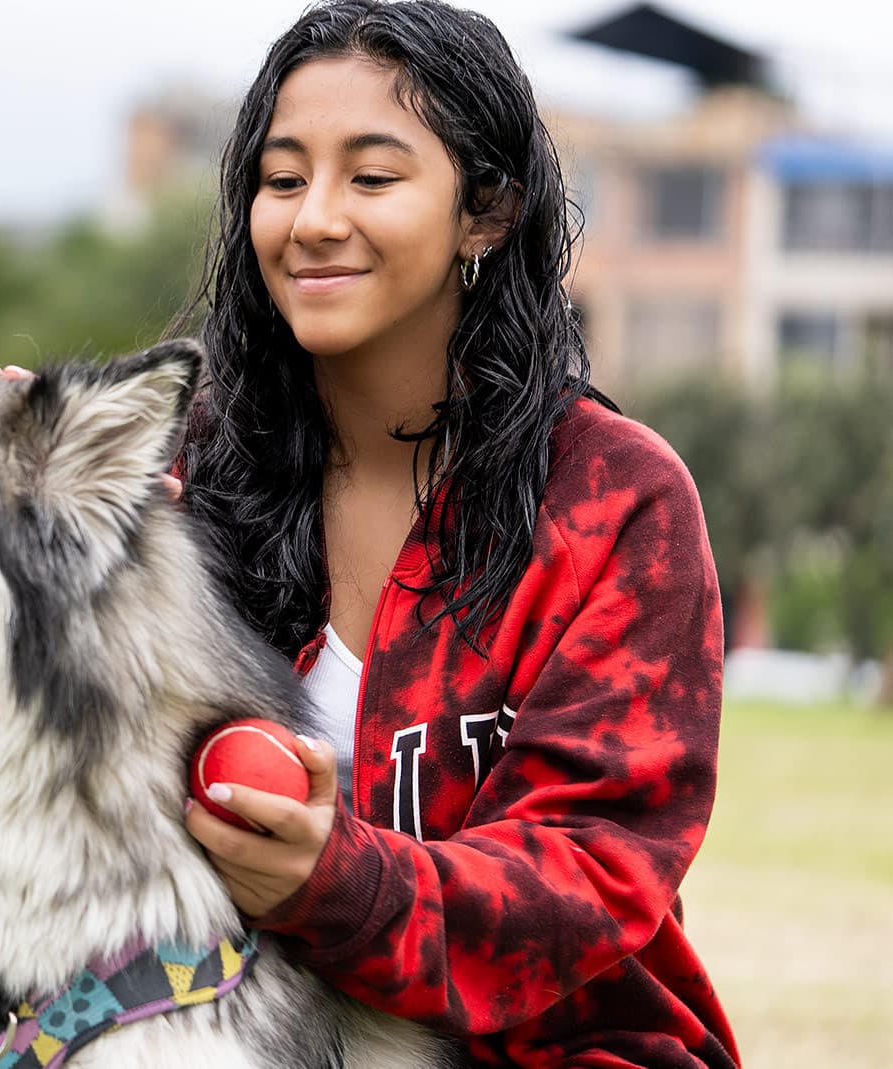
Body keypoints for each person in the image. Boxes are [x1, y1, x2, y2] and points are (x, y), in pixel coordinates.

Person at [170, 1, 743, 1066]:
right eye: (282, 179)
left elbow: (588, 872)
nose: (313, 219)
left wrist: (334, 882)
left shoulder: (616, 501)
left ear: (487, 210)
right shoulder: (183, 484)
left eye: (372, 178)